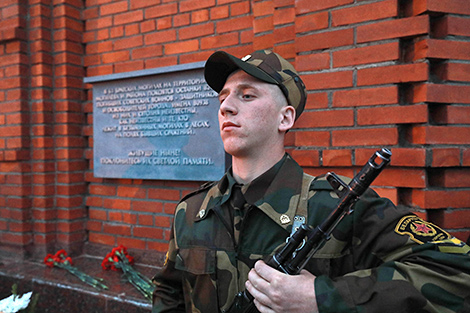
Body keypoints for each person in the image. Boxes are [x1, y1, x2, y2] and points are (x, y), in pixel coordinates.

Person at [152, 50, 470, 313]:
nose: (226, 106)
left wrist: (319, 296)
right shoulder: (192, 211)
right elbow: (170, 291)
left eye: (247, 95)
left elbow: (458, 272)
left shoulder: (338, 206)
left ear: (285, 118)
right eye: (222, 97)